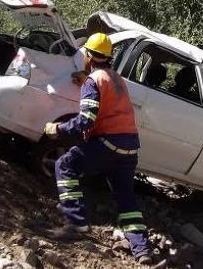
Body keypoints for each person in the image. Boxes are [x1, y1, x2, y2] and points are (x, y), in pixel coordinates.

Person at [42, 32, 153, 265]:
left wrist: (58, 129)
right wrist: (85, 80)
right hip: (129, 147)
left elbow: (86, 121)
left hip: (108, 143)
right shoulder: (116, 78)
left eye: (85, 54)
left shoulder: (94, 81)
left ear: (89, 56)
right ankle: (142, 250)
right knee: (126, 199)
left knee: (65, 165)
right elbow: (108, 97)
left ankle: (76, 223)